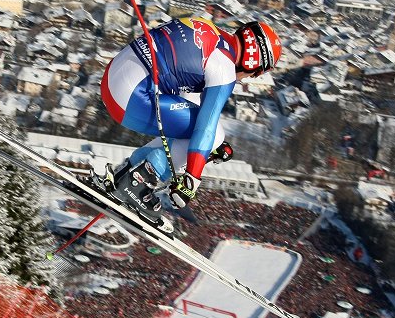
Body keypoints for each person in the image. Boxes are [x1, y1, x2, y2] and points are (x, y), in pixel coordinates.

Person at [95, 17, 282, 227]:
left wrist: (209, 151)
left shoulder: (212, 32)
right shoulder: (224, 67)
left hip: (113, 80)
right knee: (214, 135)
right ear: (252, 63)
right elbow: (206, 127)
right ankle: (139, 182)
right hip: (130, 98)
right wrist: (192, 179)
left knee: (211, 139)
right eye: (255, 74)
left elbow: (191, 101)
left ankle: (128, 173)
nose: (248, 78)